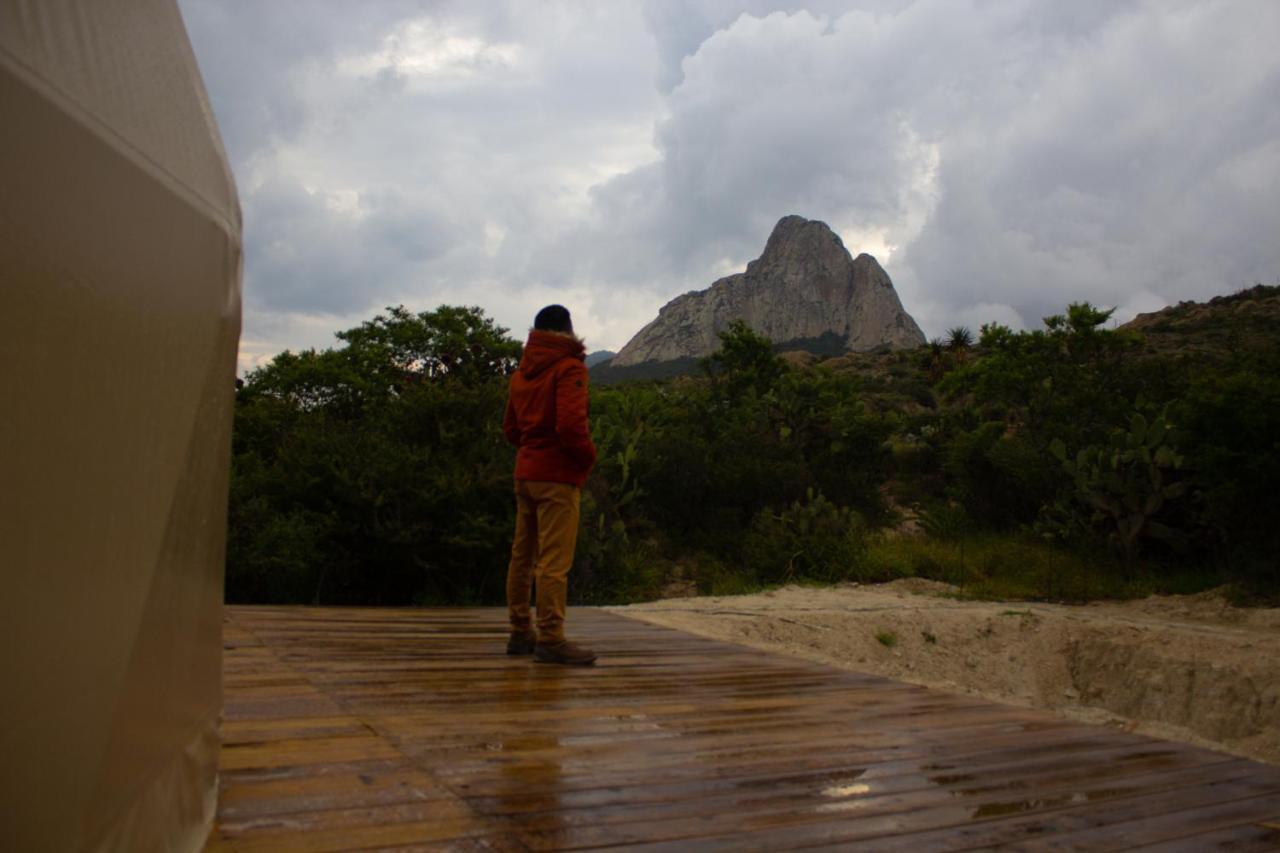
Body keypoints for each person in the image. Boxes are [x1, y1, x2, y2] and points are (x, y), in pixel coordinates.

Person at [502, 305, 598, 665]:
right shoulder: (568, 368)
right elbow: (571, 426)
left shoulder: (521, 374)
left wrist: (532, 449)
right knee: (554, 563)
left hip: (525, 474)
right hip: (557, 477)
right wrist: (587, 459)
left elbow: (511, 429)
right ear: (569, 331)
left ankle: (519, 632)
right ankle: (552, 638)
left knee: (521, 558)